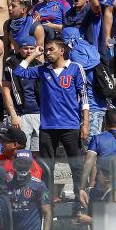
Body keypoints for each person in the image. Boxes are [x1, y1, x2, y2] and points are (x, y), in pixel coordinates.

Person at [14, 38, 90, 196]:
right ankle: (46, 199)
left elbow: (84, 98)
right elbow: (18, 72)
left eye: (51, 50)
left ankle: (81, 198)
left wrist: (85, 124)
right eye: (46, 50)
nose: (47, 53)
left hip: (71, 125)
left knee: (76, 166)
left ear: (62, 51)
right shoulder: (42, 70)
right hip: (47, 127)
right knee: (47, 167)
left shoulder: (76, 68)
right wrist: (34, 54)